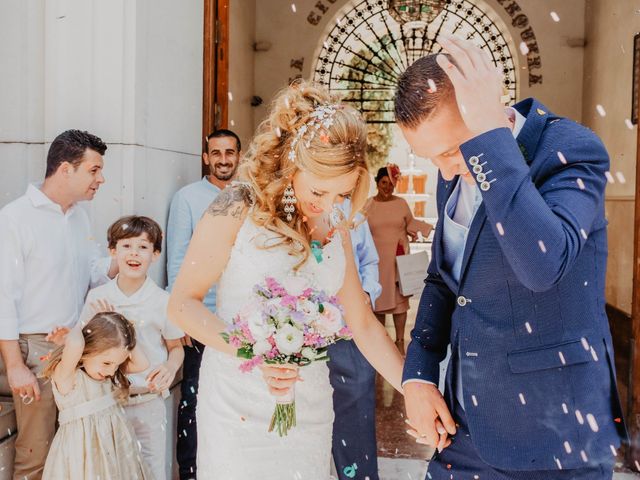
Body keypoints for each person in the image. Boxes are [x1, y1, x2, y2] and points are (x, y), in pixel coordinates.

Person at [397, 35, 626, 479]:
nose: (444, 172)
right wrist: (419, 375)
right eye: (432, 158)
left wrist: (488, 139)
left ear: (486, 110)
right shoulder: (455, 172)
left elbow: (543, 264)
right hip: (465, 429)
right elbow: (444, 280)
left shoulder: (572, 150)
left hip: (556, 435)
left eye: (449, 151)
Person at [167, 81, 404, 479]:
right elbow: (182, 304)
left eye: (341, 194)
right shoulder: (236, 205)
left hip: (309, 402)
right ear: (293, 162)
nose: (328, 205)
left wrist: (413, 386)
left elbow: (362, 324)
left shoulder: (334, 224)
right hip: (236, 405)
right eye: (319, 190)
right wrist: (252, 352)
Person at [0, 129, 117, 480]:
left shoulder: (79, 216)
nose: (101, 178)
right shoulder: (15, 218)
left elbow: (91, 272)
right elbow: (3, 296)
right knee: (37, 452)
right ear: (66, 169)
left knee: (71, 449)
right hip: (34, 350)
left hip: (76, 344)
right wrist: (16, 366)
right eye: (94, 170)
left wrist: (123, 259)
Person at [80, 215, 185, 480]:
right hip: (107, 400)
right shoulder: (98, 298)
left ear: (156, 254)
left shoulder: (163, 301)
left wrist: (170, 368)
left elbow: (176, 347)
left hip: (148, 400)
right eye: (126, 246)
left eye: (143, 247)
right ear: (112, 251)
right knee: (109, 469)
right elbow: (82, 348)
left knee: (151, 468)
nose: (134, 254)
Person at [166, 128, 241, 480]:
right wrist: (178, 319)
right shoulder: (188, 198)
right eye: (217, 153)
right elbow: (178, 258)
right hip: (199, 318)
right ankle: (191, 471)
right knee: (194, 399)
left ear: (238, 156)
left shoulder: (248, 197)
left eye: (230, 152)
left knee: (233, 397)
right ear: (206, 157)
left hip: (241, 319)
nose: (223, 159)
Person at [41, 311, 151, 479]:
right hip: (81, 454)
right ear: (88, 349)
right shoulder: (67, 376)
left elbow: (143, 363)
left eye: (117, 364)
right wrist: (83, 323)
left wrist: (123, 326)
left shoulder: (109, 373)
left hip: (115, 451)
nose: (112, 370)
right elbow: (76, 344)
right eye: (107, 363)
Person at [329, 198, 382, 480]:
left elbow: (370, 261)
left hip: (350, 331)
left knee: (356, 417)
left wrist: (366, 294)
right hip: (299, 334)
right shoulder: (286, 204)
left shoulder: (355, 212)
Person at [367, 164, 433, 350]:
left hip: (398, 260)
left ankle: (400, 342)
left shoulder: (401, 204)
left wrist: (430, 228)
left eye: (391, 184)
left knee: (399, 304)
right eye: (384, 183)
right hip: (376, 262)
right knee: (378, 301)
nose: (387, 187)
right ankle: (381, 343)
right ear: (377, 183)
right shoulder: (368, 205)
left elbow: (411, 223)